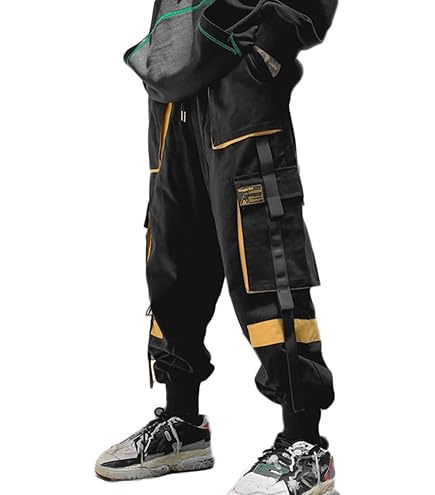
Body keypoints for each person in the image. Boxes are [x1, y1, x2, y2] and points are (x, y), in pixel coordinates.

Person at [95, 1, 339, 493]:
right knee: (172, 255)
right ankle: (182, 425)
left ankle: (304, 446)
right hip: (173, 92)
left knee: (264, 255)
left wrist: (269, 49)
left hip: (241, 89)